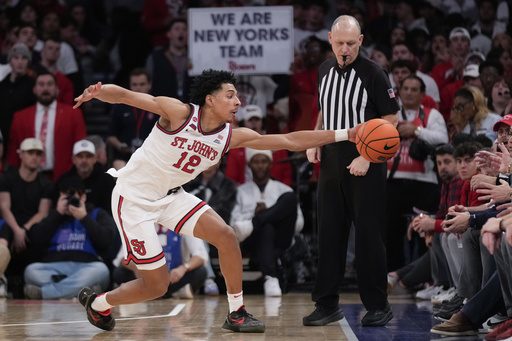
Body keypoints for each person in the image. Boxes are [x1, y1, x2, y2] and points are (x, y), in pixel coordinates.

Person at [73, 68, 359, 333]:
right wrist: (97, 92)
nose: (237, 102)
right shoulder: (179, 112)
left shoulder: (230, 137)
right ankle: (99, 303)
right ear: (210, 100)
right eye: (230, 95)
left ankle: (236, 312)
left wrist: (349, 134)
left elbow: (290, 140)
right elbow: (127, 96)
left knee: (226, 235)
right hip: (134, 199)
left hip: (172, 197)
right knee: (157, 286)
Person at [303, 15, 399, 327]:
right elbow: (323, 106)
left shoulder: (373, 72)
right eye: (340, 43)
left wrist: (368, 157)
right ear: (330, 38)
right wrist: (315, 139)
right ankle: (326, 304)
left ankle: (378, 305)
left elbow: (392, 120)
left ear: (360, 41)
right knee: (329, 234)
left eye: (351, 43)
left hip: (365, 161)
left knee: (369, 236)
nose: (345, 49)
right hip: (331, 157)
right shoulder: (323, 69)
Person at [23, 176, 115, 299]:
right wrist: (57, 213)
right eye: (66, 197)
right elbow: (36, 240)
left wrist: (84, 217)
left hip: (86, 266)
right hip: (54, 267)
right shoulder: (53, 215)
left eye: (73, 197)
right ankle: (83, 291)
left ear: (83, 197)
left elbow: (106, 240)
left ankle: (45, 293)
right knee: (31, 271)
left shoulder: (96, 213)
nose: (70, 201)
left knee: (102, 270)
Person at [231, 148, 304, 297]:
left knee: (289, 198)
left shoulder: (283, 189)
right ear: (250, 165)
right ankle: (270, 277)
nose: (259, 166)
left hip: (280, 239)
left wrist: (270, 213)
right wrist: (255, 214)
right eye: (256, 162)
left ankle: (256, 222)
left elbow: (299, 224)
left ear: (270, 164)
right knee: (266, 226)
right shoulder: (241, 191)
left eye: (263, 162)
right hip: (253, 240)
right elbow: (234, 223)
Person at [7, 72, 87, 181]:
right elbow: (14, 153)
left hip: (64, 177)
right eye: (41, 84)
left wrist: (71, 175)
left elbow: (80, 148)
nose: (45, 88)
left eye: (50, 84)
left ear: (57, 89)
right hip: (28, 179)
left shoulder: (74, 114)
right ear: (34, 89)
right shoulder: (20, 117)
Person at [107, 68, 160, 170]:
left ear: (149, 85)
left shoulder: (158, 107)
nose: (138, 88)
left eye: (142, 84)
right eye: (134, 85)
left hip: (151, 158)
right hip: (125, 158)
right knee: (119, 166)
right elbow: (111, 135)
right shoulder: (120, 107)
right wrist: (120, 146)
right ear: (130, 86)